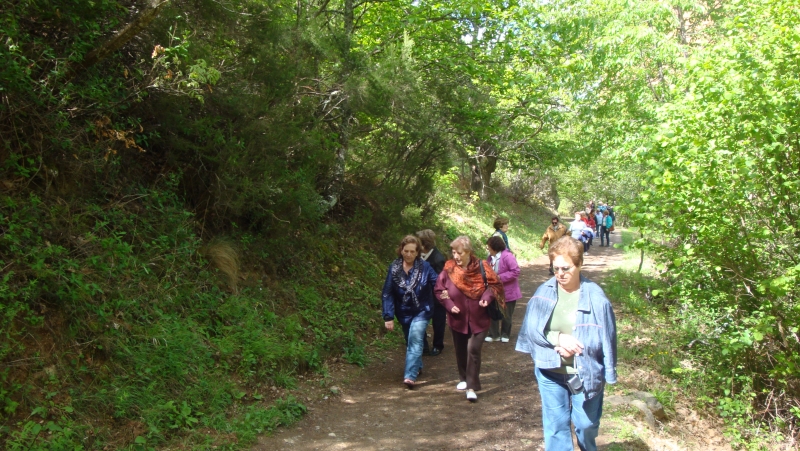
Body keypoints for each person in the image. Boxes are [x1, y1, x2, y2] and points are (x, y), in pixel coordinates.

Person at [515, 236, 617, 451]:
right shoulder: (544, 292)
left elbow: (607, 338)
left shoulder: (596, 298)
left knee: (586, 425)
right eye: (556, 268)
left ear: (579, 265)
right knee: (555, 427)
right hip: (550, 372)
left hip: (585, 374)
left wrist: (577, 349)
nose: (560, 274)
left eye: (566, 268)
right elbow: (532, 329)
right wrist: (558, 339)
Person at [434, 236, 504, 402]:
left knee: (473, 349)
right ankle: (464, 378)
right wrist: (449, 304)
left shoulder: (482, 266)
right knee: (460, 350)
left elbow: (495, 285)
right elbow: (439, 290)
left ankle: (472, 387)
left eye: (459, 253)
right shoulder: (449, 268)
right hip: (457, 318)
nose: (456, 256)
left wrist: (487, 297)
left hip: (480, 318)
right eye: (453, 252)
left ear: (468, 252)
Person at [381, 235, 439, 388]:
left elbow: (437, 283)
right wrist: (388, 316)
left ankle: (410, 375)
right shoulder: (394, 268)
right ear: (401, 250)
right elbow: (387, 293)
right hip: (403, 311)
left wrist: (446, 292)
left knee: (415, 339)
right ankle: (417, 365)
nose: (408, 254)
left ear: (418, 252)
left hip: (422, 310)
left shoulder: (425, 267)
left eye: (412, 251)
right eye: (406, 251)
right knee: (410, 340)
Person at [416, 229, 447, 356]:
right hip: (421, 296)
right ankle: (423, 345)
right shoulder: (417, 255)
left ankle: (438, 345)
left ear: (424, 244)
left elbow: (440, 281)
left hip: (435, 297)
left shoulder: (438, 259)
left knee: (438, 322)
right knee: (420, 320)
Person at [485, 236, 521, 343]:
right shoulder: (489, 258)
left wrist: (499, 277)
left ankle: (505, 334)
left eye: (489, 247)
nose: (488, 249)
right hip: (493, 290)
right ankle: (493, 334)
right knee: (492, 311)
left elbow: (515, 271)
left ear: (495, 247)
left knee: (506, 314)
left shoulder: (508, 256)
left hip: (508, 291)